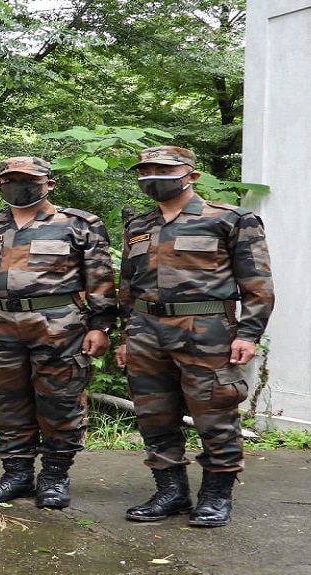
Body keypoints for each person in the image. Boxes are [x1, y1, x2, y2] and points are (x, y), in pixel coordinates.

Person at [116, 146, 274, 527]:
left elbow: (258, 285)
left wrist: (249, 334)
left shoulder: (231, 219)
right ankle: (170, 492)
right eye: (146, 169)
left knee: (214, 414)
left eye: (163, 169)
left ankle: (215, 496)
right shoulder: (138, 226)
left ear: (191, 175)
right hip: (145, 332)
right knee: (154, 415)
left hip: (206, 331)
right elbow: (127, 287)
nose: (152, 176)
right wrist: (125, 335)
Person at [0, 156, 118, 509]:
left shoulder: (79, 224)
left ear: (50, 184)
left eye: (29, 179)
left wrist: (102, 324)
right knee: (7, 403)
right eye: (11, 179)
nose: (20, 185)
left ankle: (54, 477)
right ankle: (16, 476)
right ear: (0, 184)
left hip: (59, 326)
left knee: (60, 402)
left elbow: (101, 279)